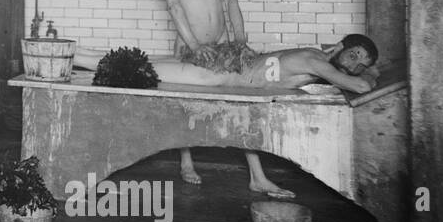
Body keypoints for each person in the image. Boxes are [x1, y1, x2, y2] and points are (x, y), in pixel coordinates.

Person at [73, 36, 381, 199]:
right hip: (215, 75)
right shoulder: (318, 61)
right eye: (354, 55)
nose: (355, 65)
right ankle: (69, 56)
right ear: (341, 46)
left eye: (361, 62)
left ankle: (76, 53)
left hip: (225, 73)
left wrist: (359, 68)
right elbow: (358, 85)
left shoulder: (316, 55)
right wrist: (370, 73)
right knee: (137, 68)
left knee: (147, 61)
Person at [156, 0, 254, 188]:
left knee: (241, 97)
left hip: (222, 40)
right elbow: (174, 6)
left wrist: (240, 40)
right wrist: (195, 45)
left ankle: (256, 175)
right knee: (185, 103)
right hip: (190, 42)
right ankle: (186, 161)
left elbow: (231, 0)